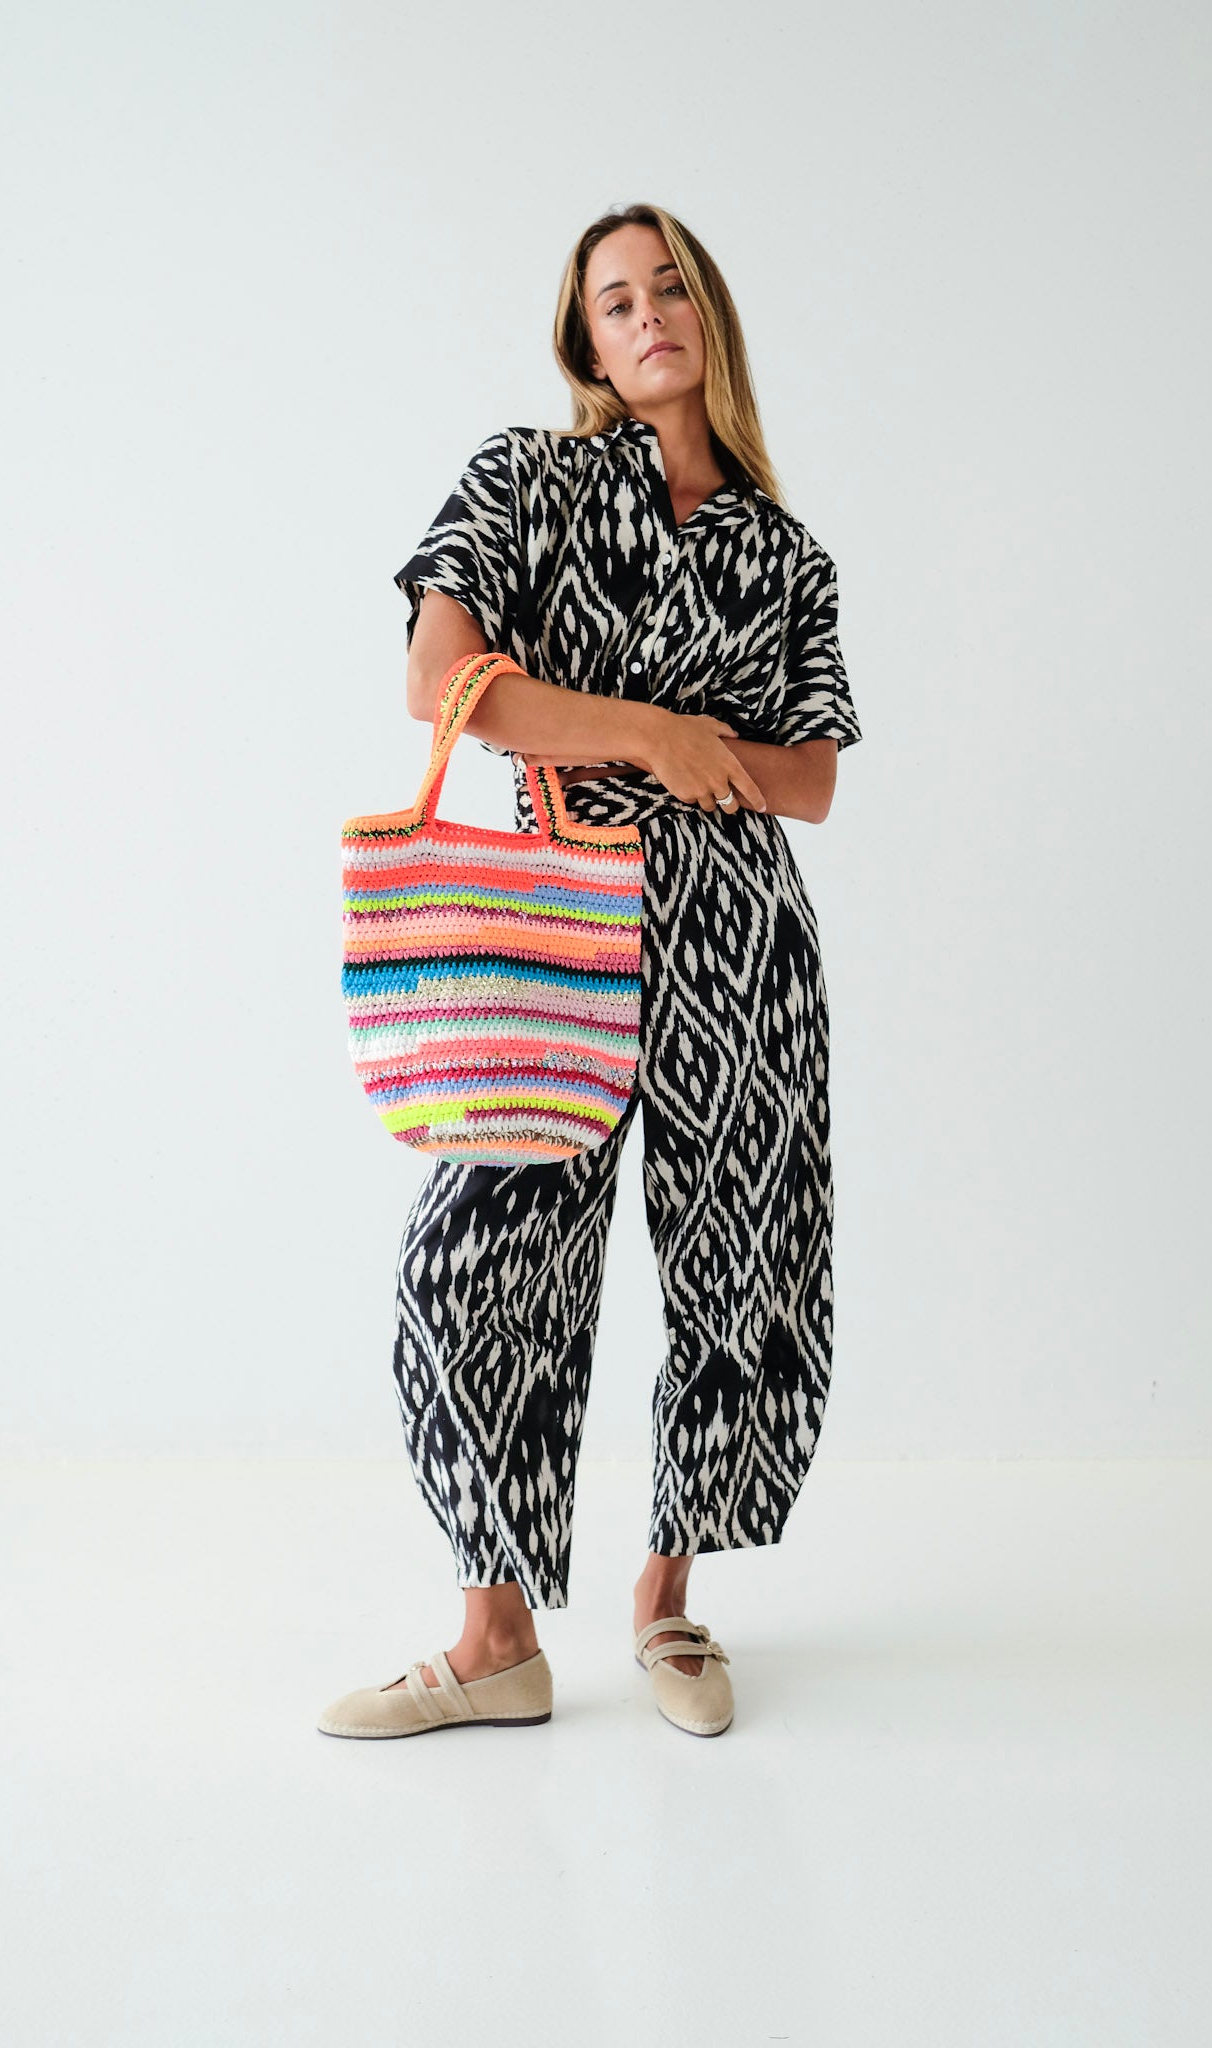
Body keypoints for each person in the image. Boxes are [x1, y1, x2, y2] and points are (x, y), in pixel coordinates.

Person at [318, 202, 862, 1744]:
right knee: (473, 1261)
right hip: (562, 918)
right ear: (586, 341)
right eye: (615, 299)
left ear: (708, 315)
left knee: (742, 1267)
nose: (647, 314)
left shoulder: (786, 553)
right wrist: (654, 735)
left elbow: (811, 780)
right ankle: (493, 1639)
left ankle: (667, 1600)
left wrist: (683, 754)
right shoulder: (527, 482)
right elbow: (443, 681)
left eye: (669, 286)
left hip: (741, 942)